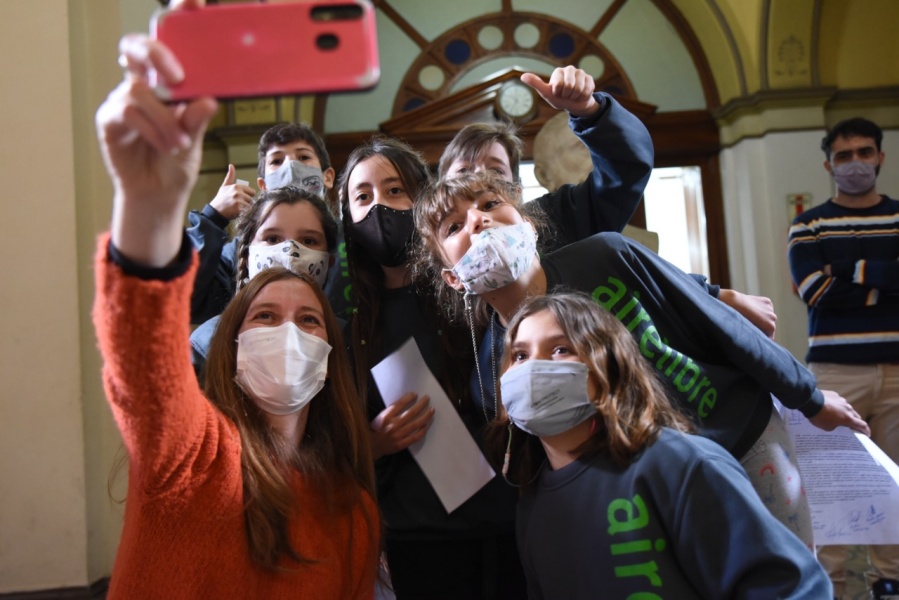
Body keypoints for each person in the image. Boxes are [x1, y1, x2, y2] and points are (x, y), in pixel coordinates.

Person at [413, 172, 871, 550]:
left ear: (529, 227)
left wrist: (809, 397)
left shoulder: (607, 254)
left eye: (490, 203)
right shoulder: (498, 371)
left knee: (787, 575)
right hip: (654, 493)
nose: (478, 220)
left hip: (739, 435)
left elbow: (720, 324)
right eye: (453, 227)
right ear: (454, 279)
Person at [94, 16, 379, 598]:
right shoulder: (186, 459)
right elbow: (141, 364)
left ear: (332, 349)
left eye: (309, 320)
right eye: (265, 317)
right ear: (231, 337)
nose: (289, 334)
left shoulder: (354, 514)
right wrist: (147, 211)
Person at [491, 291, 833, 599]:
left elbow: (795, 588)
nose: (534, 367)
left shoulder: (679, 465)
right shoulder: (532, 506)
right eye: (520, 355)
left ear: (607, 365)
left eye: (560, 349)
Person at [438, 73, 777, 338]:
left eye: (496, 172)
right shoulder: (441, 264)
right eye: (464, 172)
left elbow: (624, 176)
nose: (479, 182)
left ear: (516, 189)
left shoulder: (555, 217)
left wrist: (589, 111)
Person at [337, 136, 527, 599]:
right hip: (417, 537)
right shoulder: (347, 324)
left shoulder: (474, 289)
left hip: (511, 520)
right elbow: (328, 442)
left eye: (394, 190)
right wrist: (372, 443)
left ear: (424, 198)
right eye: (363, 196)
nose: (379, 206)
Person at [787, 117, 899, 599]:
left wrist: (849, 271)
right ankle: (828, 588)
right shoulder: (809, 224)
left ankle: (890, 583)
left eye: (864, 152)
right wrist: (885, 280)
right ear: (828, 164)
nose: (855, 163)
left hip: (896, 372)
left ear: (880, 157)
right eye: (844, 155)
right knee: (830, 487)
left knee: (896, 483)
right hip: (833, 375)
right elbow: (815, 291)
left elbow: (833, 286)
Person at [187, 121, 349, 322]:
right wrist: (213, 217)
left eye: (303, 157)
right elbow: (184, 298)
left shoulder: (349, 241)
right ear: (263, 185)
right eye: (277, 161)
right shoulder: (244, 250)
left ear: (328, 177)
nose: (290, 166)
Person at [190, 185, 338, 380]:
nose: (290, 251)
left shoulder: (346, 342)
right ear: (247, 255)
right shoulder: (207, 344)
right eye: (272, 238)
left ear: (330, 261)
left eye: (308, 241)